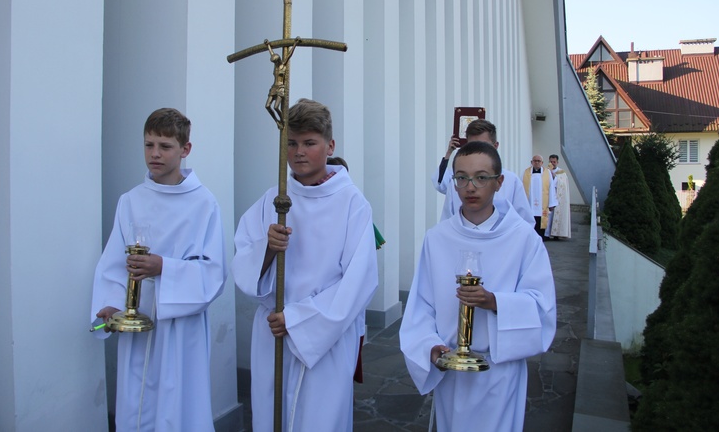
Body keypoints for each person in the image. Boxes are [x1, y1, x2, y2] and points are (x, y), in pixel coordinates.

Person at [231, 99, 379, 432]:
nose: (299, 152)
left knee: (320, 419)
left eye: (309, 143)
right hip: (273, 333)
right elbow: (243, 258)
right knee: (273, 416)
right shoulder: (274, 199)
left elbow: (359, 281)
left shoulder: (352, 204)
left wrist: (297, 320)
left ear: (330, 145)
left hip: (324, 335)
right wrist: (267, 249)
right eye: (292, 143)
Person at [400, 141, 556, 431]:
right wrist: (430, 347)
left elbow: (542, 306)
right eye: (461, 178)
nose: (470, 187)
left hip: (499, 373)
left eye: (481, 178)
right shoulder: (437, 239)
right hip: (453, 375)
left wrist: (495, 301)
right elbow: (421, 306)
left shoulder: (523, 239)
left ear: (499, 183)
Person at [91, 108, 228, 431]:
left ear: (185, 149)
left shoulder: (204, 204)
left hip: (180, 324)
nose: (155, 154)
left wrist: (164, 267)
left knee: (176, 404)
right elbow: (113, 261)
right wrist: (112, 304)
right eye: (149, 145)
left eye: (165, 146)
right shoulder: (131, 200)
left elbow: (215, 272)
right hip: (136, 319)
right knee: (135, 403)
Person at [432, 119, 535, 226]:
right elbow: (446, 222)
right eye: (473, 147)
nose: (478, 154)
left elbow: (525, 223)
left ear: (495, 146)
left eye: (484, 147)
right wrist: (449, 153)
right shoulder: (458, 181)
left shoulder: (512, 181)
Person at [522, 154, 558, 239]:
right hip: (530, 203)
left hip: (542, 205)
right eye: (535, 161)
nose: (537, 162)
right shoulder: (525, 173)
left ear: (542, 162)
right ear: (531, 162)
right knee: (530, 223)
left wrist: (552, 203)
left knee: (540, 224)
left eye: (539, 161)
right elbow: (521, 188)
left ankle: (541, 239)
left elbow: (551, 188)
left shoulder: (547, 173)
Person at [545, 154, 571, 239]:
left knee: (557, 215)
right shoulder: (545, 171)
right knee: (548, 216)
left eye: (554, 162)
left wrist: (554, 177)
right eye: (551, 162)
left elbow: (563, 184)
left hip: (558, 196)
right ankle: (547, 234)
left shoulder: (561, 173)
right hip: (548, 197)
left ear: (557, 162)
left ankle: (557, 234)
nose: (552, 163)